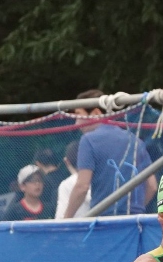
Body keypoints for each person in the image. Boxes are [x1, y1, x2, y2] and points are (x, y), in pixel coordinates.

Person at [62, 89, 157, 218]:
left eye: (79, 115)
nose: (77, 123)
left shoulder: (88, 140)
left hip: (104, 221)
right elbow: (152, 186)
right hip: (134, 221)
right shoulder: (135, 141)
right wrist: (135, 210)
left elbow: (82, 187)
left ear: (96, 113)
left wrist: (65, 219)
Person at [56, 141, 91, 219]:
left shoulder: (66, 185)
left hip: (78, 225)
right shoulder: (101, 179)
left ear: (66, 161)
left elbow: (60, 217)